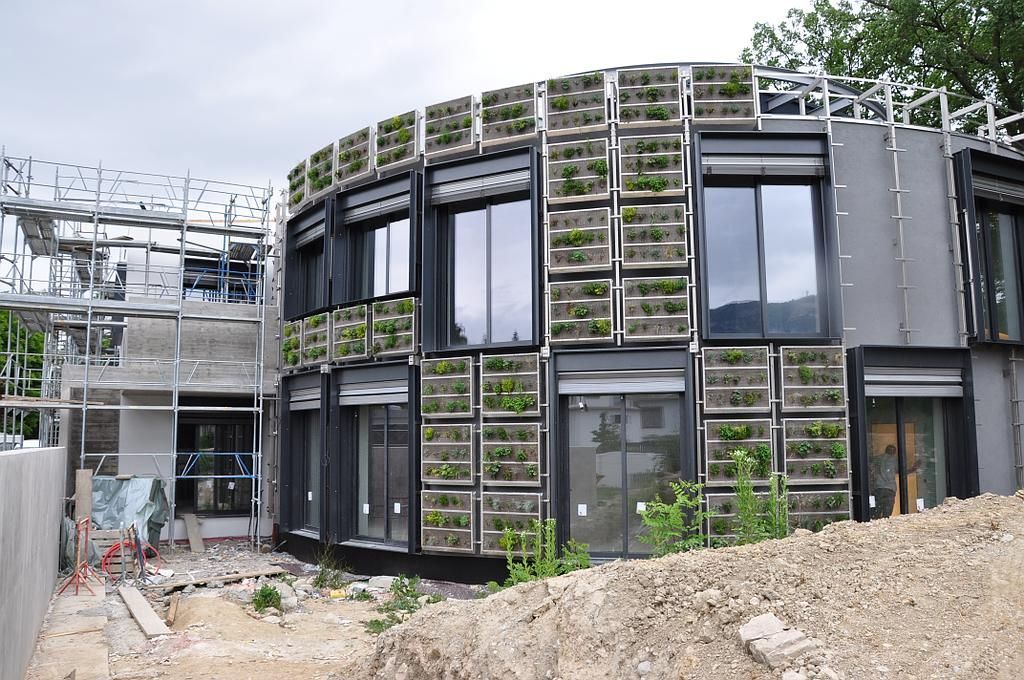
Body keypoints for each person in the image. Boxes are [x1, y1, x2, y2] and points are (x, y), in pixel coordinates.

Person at [871, 444, 898, 519]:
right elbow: (901, 471)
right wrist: (914, 468)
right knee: (887, 512)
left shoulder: (877, 458)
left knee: (877, 510)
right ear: (894, 452)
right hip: (890, 488)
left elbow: (870, 468)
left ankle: (876, 522)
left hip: (878, 487)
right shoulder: (894, 460)